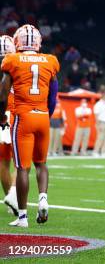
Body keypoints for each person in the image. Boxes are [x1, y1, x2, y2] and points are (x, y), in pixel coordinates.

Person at [0, 24, 60, 227]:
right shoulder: (50, 60)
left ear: (17, 41)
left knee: (22, 168)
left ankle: (23, 216)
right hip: (43, 116)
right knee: (41, 163)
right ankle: (43, 198)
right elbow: (53, 95)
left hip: (23, 117)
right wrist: (46, 115)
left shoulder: (13, 60)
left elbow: (2, 95)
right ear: (38, 42)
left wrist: (1, 118)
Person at [0, 35, 17, 216]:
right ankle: (13, 197)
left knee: (3, 163)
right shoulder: (15, 63)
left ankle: (9, 200)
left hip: (1, 118)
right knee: (21, 163)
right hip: (14, 115)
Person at [93, 86, 105, 156]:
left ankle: (104, 152)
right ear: (103, 96)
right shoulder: (98, 104)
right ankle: (95, 152)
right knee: (100, 138)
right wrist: (97, 124)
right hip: (101, 122)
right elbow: (96, 115)